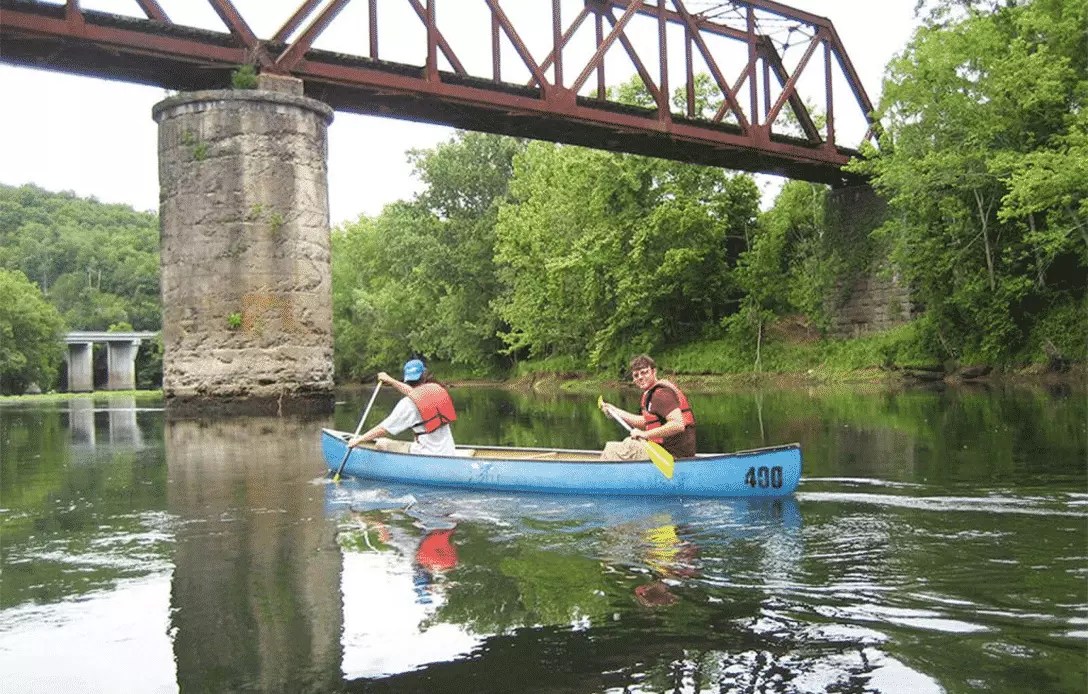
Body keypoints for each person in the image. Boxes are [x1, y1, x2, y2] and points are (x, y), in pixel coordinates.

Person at [348, 358, 457, 456]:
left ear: (406, 379)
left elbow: (383, 429)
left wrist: (358, 440)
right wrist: (391, 381)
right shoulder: (436, 389)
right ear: (424, 375)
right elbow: (414, 392)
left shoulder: (407, 404)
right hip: (449, 452)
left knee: (382, 443)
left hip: (424, 454)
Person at [598, 354, 696, 460]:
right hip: (664, 451)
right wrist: (615, 411)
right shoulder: (651, 393)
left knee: (611, 449)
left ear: (654, 372)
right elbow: (647, 422)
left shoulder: (661, 394)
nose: (640, 377)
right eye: (636, 375)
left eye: (644, 372)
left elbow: (678, 424)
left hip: (672, 455)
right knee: (629, 442)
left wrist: (645, 434)